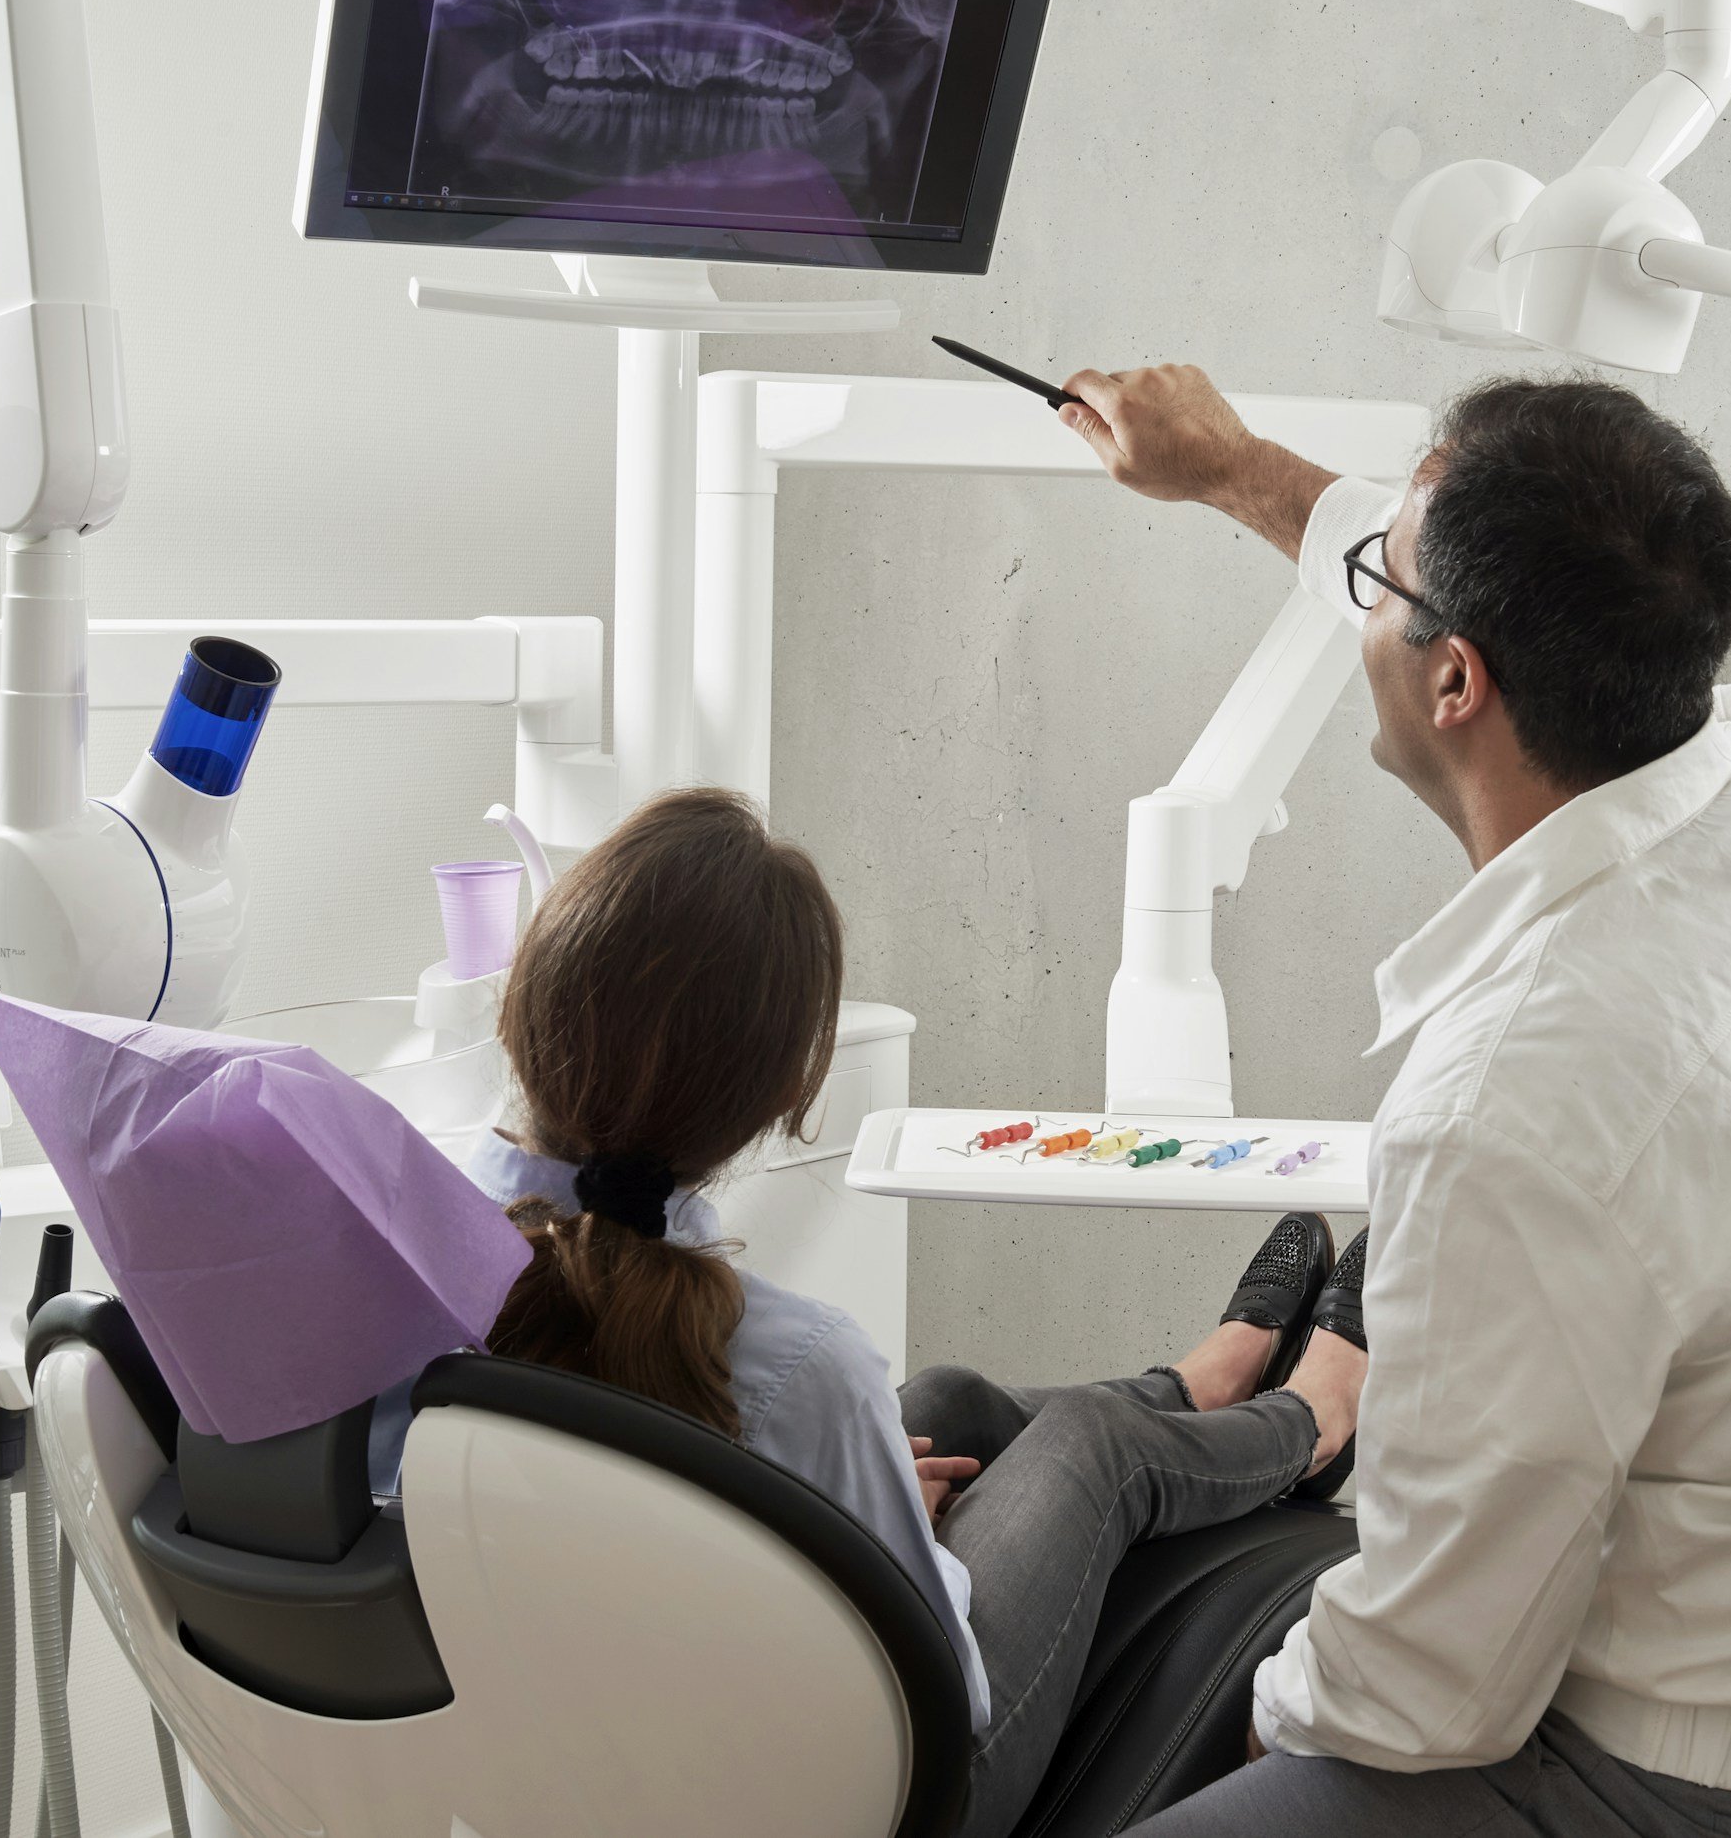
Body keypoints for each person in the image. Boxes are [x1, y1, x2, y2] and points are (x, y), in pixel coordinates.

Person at [1050, 367, 1731, 1836]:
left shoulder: (1518, 1100)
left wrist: (1239, 1727)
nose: (1367, 573)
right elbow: (1456, 565)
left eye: (1382, 576)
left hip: (1643, 1772)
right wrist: (1231, 468)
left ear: (1456, 681)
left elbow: (1425, 1690)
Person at [461, 784, 1372, 1838]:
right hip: (883, 1797)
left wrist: (862, 1516)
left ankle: (1197, 1388)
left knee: (944, 1402)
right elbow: (944, 1685)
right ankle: (1312, 1421)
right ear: (779, 1102)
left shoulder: (417, 1273)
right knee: (1088, 1446)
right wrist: (896, 1559)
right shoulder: (800, 1367)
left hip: (603, 1760)